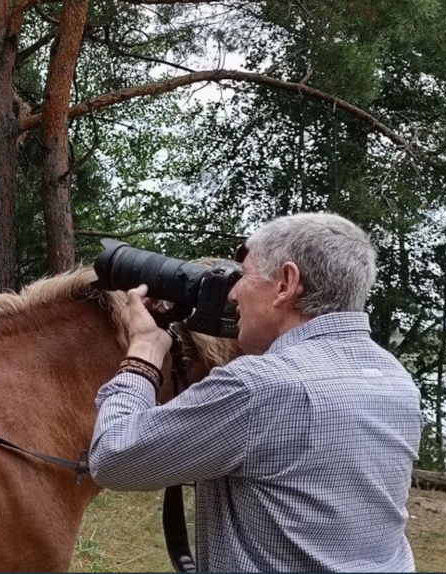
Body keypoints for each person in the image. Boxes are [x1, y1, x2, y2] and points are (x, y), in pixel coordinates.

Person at [88, 212, 423, 572]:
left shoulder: (258, 387)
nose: (232, 294)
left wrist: (144, 350)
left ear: (286, 284)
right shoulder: (395, 379)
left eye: (244, 276)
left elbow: (114, 458)